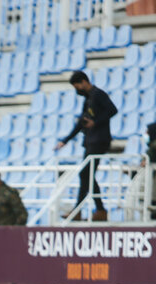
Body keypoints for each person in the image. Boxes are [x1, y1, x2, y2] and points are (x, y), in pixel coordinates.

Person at [55, 71, 117, 222]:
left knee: (86, 174)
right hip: (90, 141)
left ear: (83, 82)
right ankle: (84, 210)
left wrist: (96, 122)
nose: (77, 90)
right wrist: (66, 140)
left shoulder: (98, 94)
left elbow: (112, 110)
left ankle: (97, 210)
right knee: (85, 175)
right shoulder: (89, 99)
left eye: (77, 87)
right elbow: (82, 122)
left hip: (99, 141)